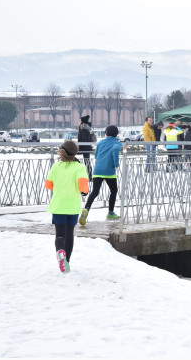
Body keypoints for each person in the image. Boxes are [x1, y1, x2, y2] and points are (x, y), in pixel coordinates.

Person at [44, 140, 89, 274]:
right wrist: (84, 191)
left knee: (60, 235)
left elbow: (48, 185)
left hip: (59, 206)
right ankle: (66, 262)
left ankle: (60, 252)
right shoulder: (80, 168)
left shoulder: (56, 166)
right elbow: (83, 187)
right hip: (72, 206)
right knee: (70, 234)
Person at [80, 125, 122, 225]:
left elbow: (95, 155)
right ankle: (110, 213)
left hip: (97, 169)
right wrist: (116, 164)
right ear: (116, 134)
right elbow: (115, 150)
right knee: (113, 190)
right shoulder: (117, 143)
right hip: (109, 171)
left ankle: (86, 209)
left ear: (106, 133)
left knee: (95, 192)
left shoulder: (101, 142)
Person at [77, 115, 93, 180]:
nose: (79, 121)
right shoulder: (86, 127)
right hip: (87, 147)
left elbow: (84, 139)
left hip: (83, 147)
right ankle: (89, 175)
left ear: (82, 121)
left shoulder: (83, 128)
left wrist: (78, 145)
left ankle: (79, 171)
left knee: (70, 153)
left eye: (80, 120)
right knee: (87, 161)